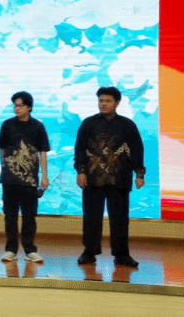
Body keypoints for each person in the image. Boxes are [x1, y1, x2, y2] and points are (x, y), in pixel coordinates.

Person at [74, 86, 145, 268]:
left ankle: (122, 255)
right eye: (101, 101)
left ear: (117, 103)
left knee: (120, 220)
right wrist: (81, 171)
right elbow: (80, 149)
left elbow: (137, 150)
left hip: (119, 178)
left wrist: (139, 174)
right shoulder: (88, 124)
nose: (103, 104)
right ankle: (89, 252)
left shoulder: (127, 125)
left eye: (107, 101)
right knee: (91, 218)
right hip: (93, 178)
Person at [0, 91, 49, 263]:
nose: (16, 108)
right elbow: (2, 149)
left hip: (30, 179)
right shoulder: (7, 125)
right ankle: (11, 249)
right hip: (9, 179)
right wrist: (5, 167)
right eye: (15, 105)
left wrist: (44, 176)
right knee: (10, 215)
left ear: (29, 107)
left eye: (20, 105)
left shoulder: (38, 126)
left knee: (29, 216)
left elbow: (42, 152)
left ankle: (30, 250)